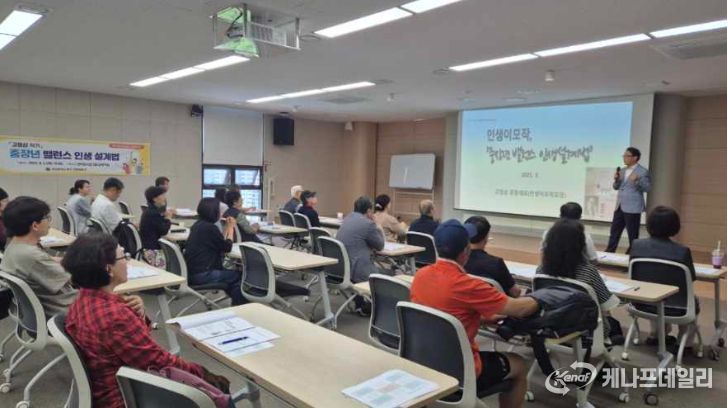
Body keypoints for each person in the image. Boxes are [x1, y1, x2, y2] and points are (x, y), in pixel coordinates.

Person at [62, 233, 231, 408]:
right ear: (108, 269)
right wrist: (203, 373)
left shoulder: (84, 299)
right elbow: (157, 362)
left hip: (106, 387)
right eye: (123, 257)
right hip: (125, 398)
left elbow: (134, 346)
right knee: (218, 391)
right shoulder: (114, 317)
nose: (127, 262)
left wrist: (138, 312)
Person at [411, 219, 540, 408]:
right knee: (519, 365)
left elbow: (443, 319)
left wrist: (480, 320)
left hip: (423, 361)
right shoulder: (469, 285)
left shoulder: (420, 275)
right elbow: (520, 308)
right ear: (466, 251)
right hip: (462, 370)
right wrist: (543, 297)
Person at [630, 206, 698, 348]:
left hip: (642, 303)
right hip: (678, 307)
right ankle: (684, 344)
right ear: (675, 226)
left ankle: (656, 335)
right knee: (691, 299)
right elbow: (690, 279)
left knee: (654, 291)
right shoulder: (682, 252)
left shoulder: (636, 246)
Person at [538, 219, 620, 335]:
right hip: (587, 329)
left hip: (553, 326)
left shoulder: (541, 270)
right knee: (613, 325)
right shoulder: (588, 271)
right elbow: (607, 304)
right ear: (580, 244)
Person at [1, 197, 78, 316]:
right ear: (35, 226)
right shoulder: (32, 256)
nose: (49, 222)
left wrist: (67, 260)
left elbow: (46, 262)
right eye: (47, 217)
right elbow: (75, 279)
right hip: (66, 309)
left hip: (40, 310)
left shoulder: (13, 246)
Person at [184, 198, 245, 305]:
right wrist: (231, 228)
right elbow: (227, 247)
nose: (221, 213)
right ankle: (238, 305)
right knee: (240, 276)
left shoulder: (197, 225)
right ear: (213, 212)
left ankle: (236, 302)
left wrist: (226, 227)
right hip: (204, 274)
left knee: (231, 278)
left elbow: (218, 242)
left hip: (192, 272)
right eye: (219, 210)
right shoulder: (210, 228)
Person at [336, 197, 386, 316]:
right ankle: (378, 309)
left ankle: (361, 303)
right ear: (369, 211)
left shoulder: (348, 218)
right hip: (358, 269)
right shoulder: (368, 224)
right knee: (388, 275)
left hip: (342, 266)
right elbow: (380, 245)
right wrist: (378, 225)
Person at [606, 147, 651, 253]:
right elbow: (616, 187)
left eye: (627, 156)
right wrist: (616, 180)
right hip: (620, 206)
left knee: (632, 233)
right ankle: (610, 251)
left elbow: (647, 188)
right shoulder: (622, 170)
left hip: (633, 207)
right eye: (624, 156)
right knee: (614, 231)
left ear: (635, 158)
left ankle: (632, 253)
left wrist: (637, 180)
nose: (624, 158)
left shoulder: (643, 171)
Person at [464, 216, 521, 297]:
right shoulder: (496, 263)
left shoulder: (457, 260)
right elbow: (515, 293)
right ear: (486, 238)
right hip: (492, 304)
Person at [139, 186, 174, 267]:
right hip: (153, 251)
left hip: (147, 248)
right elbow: (164, 231)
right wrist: (168, 218)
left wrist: (164, 217)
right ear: (155, 199)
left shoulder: (150, 211)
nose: (165, 198)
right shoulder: (153, 213)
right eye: (162, 195)